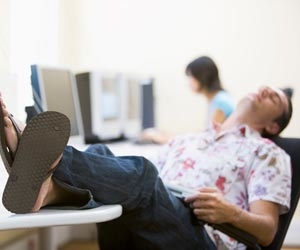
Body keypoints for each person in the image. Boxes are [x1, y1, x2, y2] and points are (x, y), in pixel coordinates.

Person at [0, 86, 293, 250]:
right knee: (104, 154)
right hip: (162, 214)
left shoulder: (268, 153)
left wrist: (231, 213)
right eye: (266, 88)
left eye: (275, 97)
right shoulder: (192, 139)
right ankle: (48, 190)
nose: (267, 90)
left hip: (206, 236)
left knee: (143, 175)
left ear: (273, 125)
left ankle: (43, 156)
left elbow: (267, 232)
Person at [141, 56, 235, 144]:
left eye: (190, 76)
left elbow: (206, 139)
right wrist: (167, 135)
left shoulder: (221, 102)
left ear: (202, 77)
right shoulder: (217, 99)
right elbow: (204, 134)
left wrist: (165, 139)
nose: (189, 82)